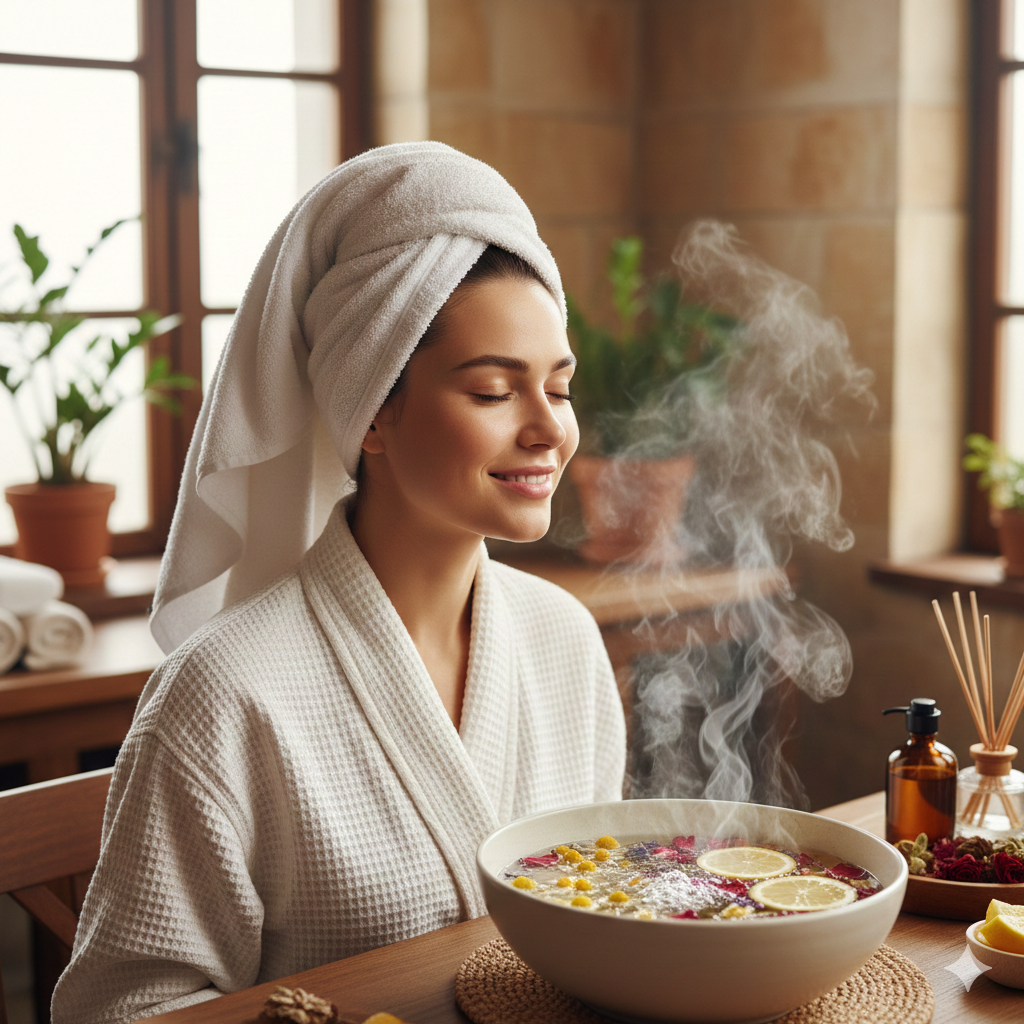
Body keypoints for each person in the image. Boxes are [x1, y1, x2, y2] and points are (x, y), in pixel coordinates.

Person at [51, 142, 626, 1024]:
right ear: (374, 413)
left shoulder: (562, 640)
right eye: (491, 392)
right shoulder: (223, 694)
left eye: (560, 386)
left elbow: (596, 921)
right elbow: (122, 1008)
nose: (549, 429)